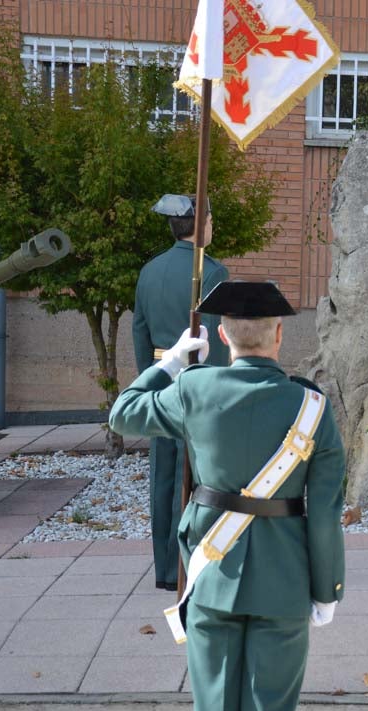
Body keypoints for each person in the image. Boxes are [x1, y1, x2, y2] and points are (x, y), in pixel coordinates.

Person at [110, 280, 346, 711]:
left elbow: (123, 413)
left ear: (220, 335)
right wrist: (326, 590)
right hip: (283, 587)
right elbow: (325, 514)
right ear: (279, 335)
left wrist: (171, 361)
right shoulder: (312, 407)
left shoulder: (195, 388)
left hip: (212, 581)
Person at [133, 193, 230, 591]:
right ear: (199, 223)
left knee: (163, 475)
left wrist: (150, 379)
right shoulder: (212, 272)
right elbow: (213, 340)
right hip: (196, 383)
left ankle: (165, 568)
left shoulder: (150, 270)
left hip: (161, 380)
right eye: (209, 217)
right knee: (196, 477)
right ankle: (188, 564)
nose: (212, 224)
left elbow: (139, 329)